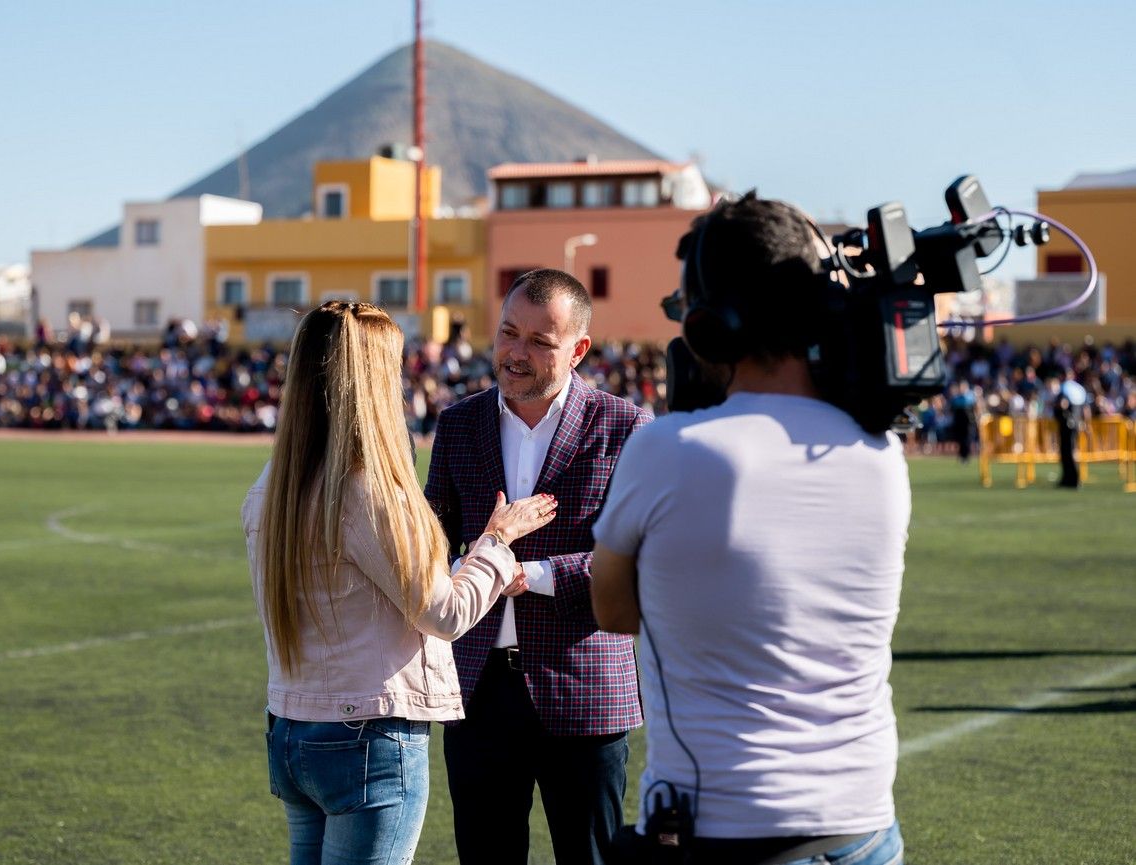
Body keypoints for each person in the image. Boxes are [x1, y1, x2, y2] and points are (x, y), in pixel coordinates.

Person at [591, 193, 909, 865]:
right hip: (865, 825)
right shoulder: (884, 455)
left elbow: (612, 607)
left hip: (727, 829)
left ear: (710, 326)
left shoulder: (668, 450)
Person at [241, 300, 559, 865]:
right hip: (366, 734)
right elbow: (445, 613)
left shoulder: (275, 484)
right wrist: (497, 541)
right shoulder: (366, 491)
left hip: (292, 727)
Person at [424, 269, 651, 865]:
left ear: (577, 350)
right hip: (476, 689)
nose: (515, 354)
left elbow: (637, 556)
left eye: (538, 342)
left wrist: (535, 574)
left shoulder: (627, 428)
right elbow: (432, 539)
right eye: (507, 334)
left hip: (584, 688)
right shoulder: (458, 423)